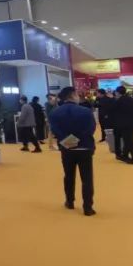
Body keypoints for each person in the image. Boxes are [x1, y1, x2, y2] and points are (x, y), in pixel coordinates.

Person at [49, 86, 97, 216]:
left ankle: (69, 201)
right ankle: (88, 207)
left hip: (67, 148)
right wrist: (78, 140)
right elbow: (91, 129)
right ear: (72, 95)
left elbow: (56, 131)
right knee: (87, 178)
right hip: (85, 147)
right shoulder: (86, 111)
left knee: (69, 175)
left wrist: (69, 142)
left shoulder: (55, 113)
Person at [112, 86, 133, 165]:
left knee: (129, 141)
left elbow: (115, 112)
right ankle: (125, 156)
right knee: (128, 140)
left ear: (118, 92)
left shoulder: (119, 101)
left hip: (125, 124)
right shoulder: (131, 99)